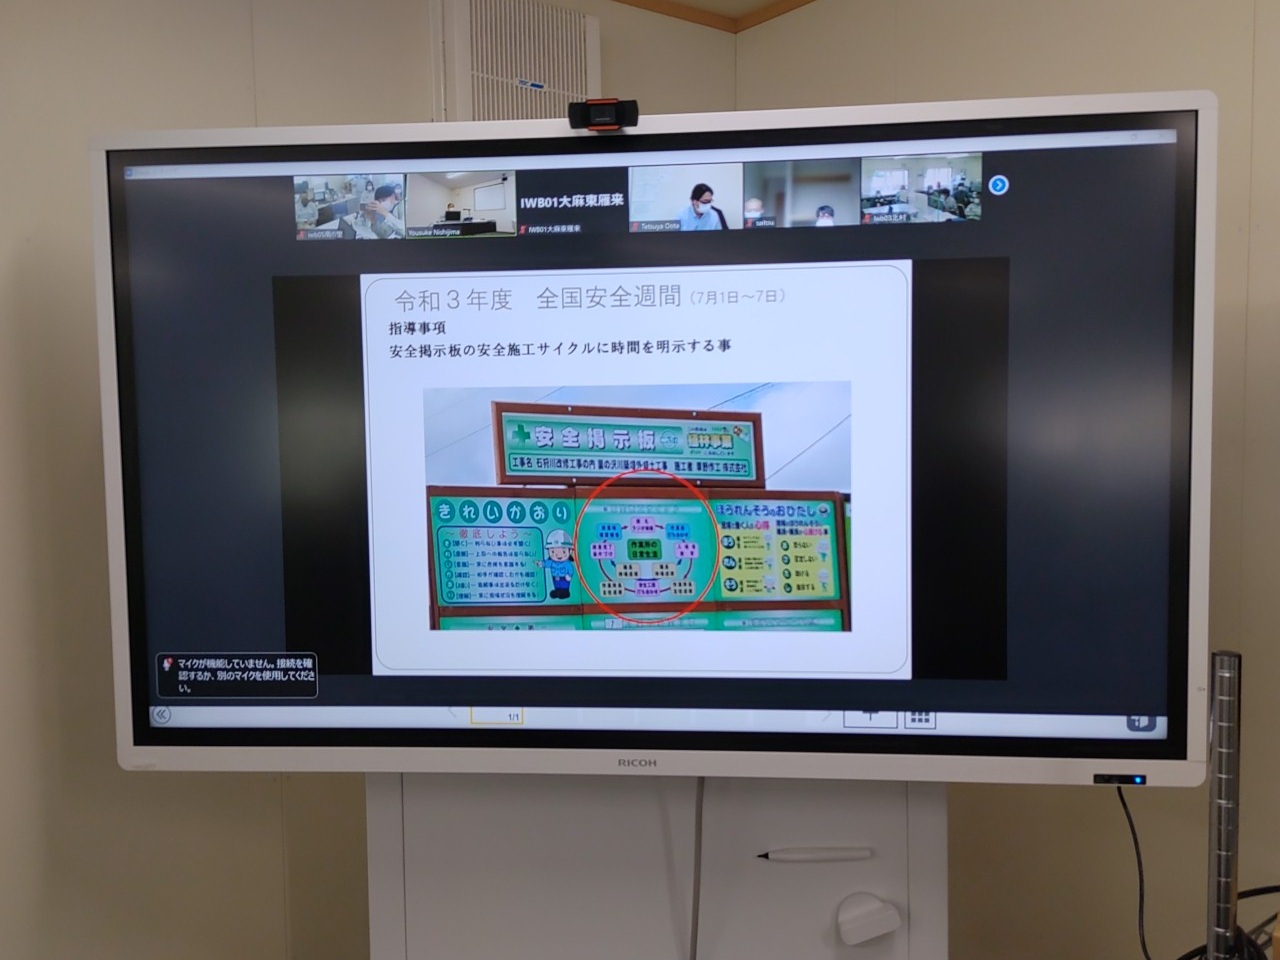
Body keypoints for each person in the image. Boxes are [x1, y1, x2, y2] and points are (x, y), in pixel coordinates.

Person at [539, 530, 575, 599]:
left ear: (570, 551)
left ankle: (565, 592)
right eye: (553, 551)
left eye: (563, 551)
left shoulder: (567, 564)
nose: (558, 555)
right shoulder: (552, 562)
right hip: (555, 578)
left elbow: (570, 569)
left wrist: (569, 575)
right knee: (557, 585)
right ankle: (557, 591)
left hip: (564, 578)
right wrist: (542, 564)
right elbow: (547, 563)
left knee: (564, 586)